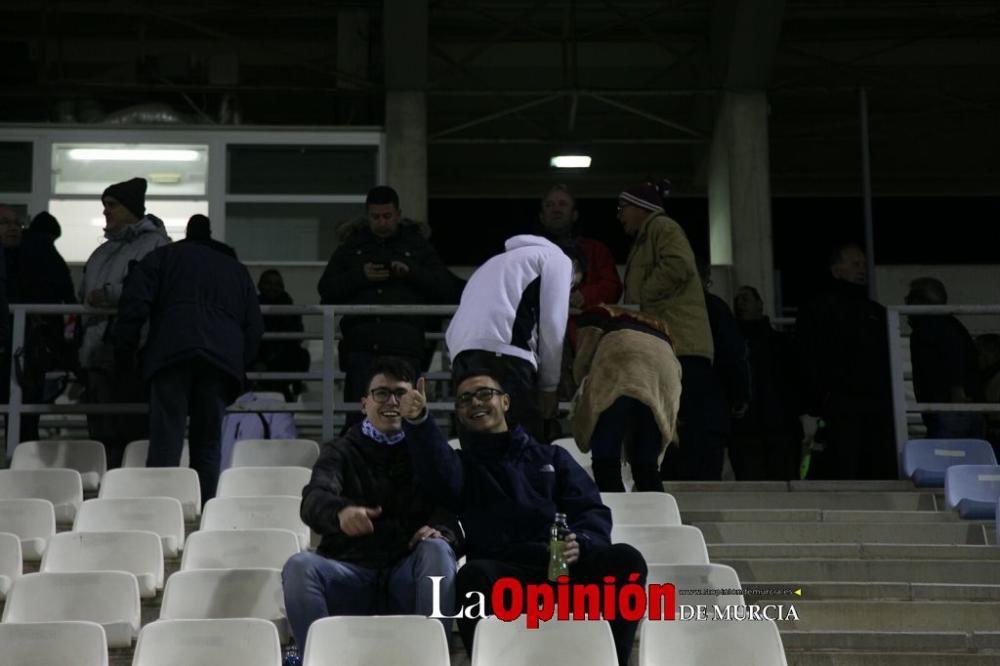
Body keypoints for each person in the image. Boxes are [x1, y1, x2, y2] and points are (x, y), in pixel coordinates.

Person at [398, 366, 647, 666]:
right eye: (465, 400)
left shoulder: (551, 457)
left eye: (484, 393)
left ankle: (612, 661)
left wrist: (583, 542)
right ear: (459, 414)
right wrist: (419, 421)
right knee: (472, 577)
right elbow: (438, 472)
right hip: (508, 580)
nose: (475, 402)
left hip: (563, 572)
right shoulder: (461, 465)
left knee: (627, 560)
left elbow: (590, 509)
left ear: (505, 402)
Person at [281, 358, 462, 649]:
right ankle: (319, 657)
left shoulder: (428, 445)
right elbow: (314, 499)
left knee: (438, 550)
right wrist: (340, 513)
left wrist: (441, 530)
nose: (391, 401)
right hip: (351, 573)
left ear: (415, 398)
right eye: (382, 393)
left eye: (400, 393)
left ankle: (432, 655)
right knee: (299, 567)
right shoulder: (340, 451)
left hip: (407, 572)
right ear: (364, 404)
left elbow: (453, 492)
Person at [111, 225, 263, 502]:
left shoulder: (164, 257)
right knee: (208, 442)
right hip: (219, 361)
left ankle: (161, 509)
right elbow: (254, 327)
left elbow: (134, 302)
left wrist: (125, 351)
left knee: (165, 440)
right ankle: (205, 509)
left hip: (171, 354)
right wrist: (240, 365)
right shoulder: (236, 270)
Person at [317, 186, 456, 423]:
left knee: (405, 418)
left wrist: (411, 272)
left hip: (404, 349)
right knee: (360, 419)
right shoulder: (352, 245)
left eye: (387, 216)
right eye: (375, 217)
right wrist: (360, 276)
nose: (381, 222)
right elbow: (326, 291)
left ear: (398, 214)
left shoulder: (417, 245)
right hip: (361, 350)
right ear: (367, 215)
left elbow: (446, 289)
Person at [618, 180, 716, 480]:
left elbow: (678, 265)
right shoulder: (649, 236)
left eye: (623, 208)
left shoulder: (663, 228)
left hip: (681, 346)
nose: (619, 215)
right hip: (671, 346)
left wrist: (642, 299)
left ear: (640, 208)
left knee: (679, 421)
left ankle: (684, 480)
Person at [79, 178, 171, 467]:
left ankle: (131, 488)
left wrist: (109, 296)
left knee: (130, 428)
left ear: (131, 208)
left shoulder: (155, 245)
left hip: (131, 351)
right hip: (97, 352)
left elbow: (151, 288)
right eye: (104, 205)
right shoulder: (103, 251)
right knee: (102, 429)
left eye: (112, 205)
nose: (106, 212)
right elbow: (84, 294)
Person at [446, 234, 573, 442]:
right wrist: (549, 386)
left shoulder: (490, 265)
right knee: (525, 444)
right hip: (507, 355)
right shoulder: (557, 258)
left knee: (475, 445)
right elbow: (553, 323)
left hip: (462, 356)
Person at [795, 243, 895, 479]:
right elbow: (806, 357)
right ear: (836, 270)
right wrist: (817, 400)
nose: (862, 269)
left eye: (863, 264)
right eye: (855, 264)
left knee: (876, 466)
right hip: (839, 405)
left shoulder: (878, 312)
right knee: (844, 465)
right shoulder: (818, 309)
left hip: (875, 405)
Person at [571, 305, 682, 492]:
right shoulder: (657, 324)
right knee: (647, 465)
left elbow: (583, 363)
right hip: (665, 369)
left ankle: (615, 516)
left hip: (620, 358)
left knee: (605, 460)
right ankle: (655, 518)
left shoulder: (596, 317)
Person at [6, 211, 78, 441]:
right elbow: (66, 289)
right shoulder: (47, 253)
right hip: (38, 335)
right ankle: (23, 447)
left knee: (14, 401)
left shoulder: (16, 253)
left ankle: (16, 448)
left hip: (17, 334)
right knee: (28, 399)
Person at [732, 285, 803, 480]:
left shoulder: (779, 343)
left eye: (745, 298)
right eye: (737, 300)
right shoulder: (778, 342)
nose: (739, 304)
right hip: (760, 428)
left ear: (760, 304)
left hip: (775, 427)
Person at [906, 277, 984, 439]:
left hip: (949, 408)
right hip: (960, 408)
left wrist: (957, 393)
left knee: (945, 458)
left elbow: (953, 357)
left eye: (909, 298)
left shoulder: (930, 325)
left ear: (918, 300)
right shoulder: (952, 325)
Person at [255, 269, 311, 400]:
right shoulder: (253, 307)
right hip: (258, 360)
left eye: (277, 284)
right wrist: (258, 360)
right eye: (268, 283)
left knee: (303, 355)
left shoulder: (289, 307)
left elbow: (297, 336)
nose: (272, 287)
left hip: (283, 360)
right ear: (260, 285)